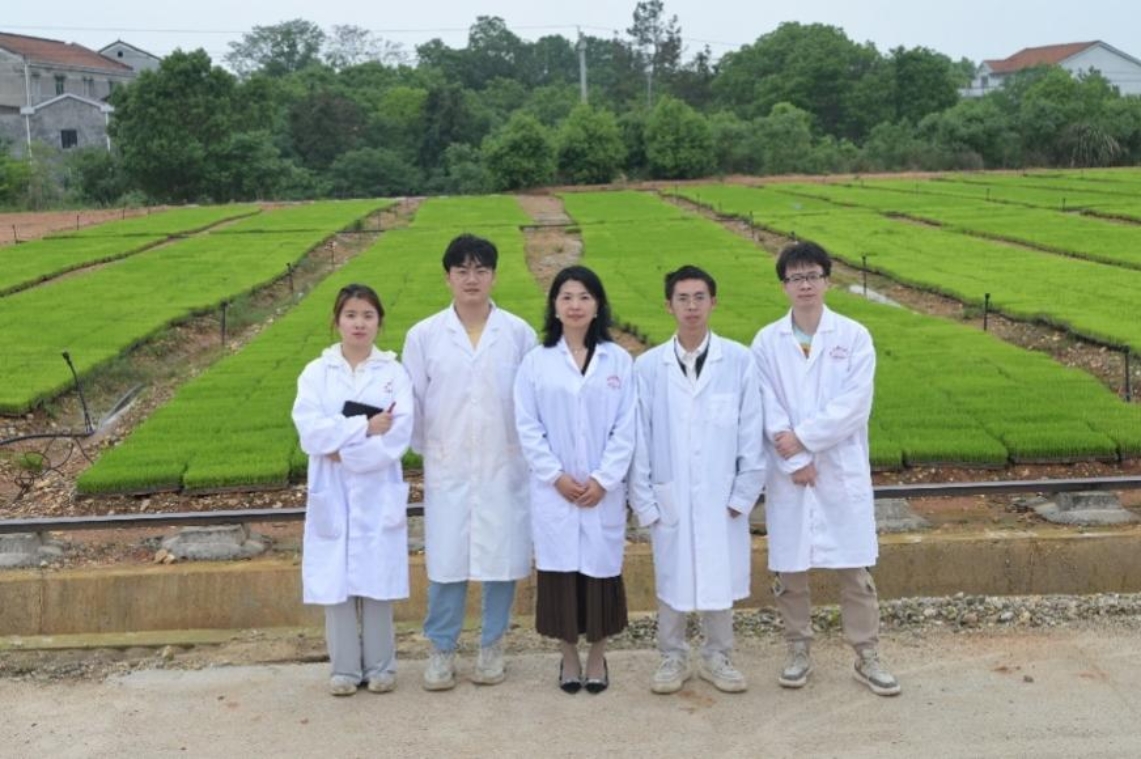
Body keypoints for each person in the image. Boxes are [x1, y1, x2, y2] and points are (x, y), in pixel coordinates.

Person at [750, 241, 901, 697]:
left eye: (812, 276)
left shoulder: (853, 336)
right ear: (784, 286)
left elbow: (855, 404)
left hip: (838, 468)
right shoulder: (767, 342)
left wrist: (805, 440)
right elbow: (765, 404)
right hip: (790, 473)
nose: (805, 285)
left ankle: (867, 653)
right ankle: (798, 649)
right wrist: (795, 458)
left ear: (827, 281)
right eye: (796, 278)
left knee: (854, 570)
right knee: (791, 570)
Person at [402, 234, 538, 691]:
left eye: (481, 270)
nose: (472, 279)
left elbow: (531, 403)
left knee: (501, 562)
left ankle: (492, 645)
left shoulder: (518, 334)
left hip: (504, 465)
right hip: (450, 466)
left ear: (494, 276)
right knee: (447, 563)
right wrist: (438, 451)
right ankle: (441, 649)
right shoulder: (424, 336)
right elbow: (414, 406)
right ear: (448, 277)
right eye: (462, 270)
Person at [628, 265, 766, 695]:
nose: (691, 306)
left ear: (713, 303)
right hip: (670, 493)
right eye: (683, 298)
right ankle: (671, 655)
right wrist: (645, 500)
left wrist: (744, 493)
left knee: (717, 573)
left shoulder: (739, 360)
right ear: (668, 305)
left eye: (699, 297)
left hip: (721, 495)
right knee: (672, 575)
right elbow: (639, 438)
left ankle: (717, 655)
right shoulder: (648, 367)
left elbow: (751, 430)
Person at [514, 265, 636, 695]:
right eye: (566, 297)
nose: (575, 305)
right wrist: (556, 476)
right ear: (554, 306)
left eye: (584, 296)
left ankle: (598, 657)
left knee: (601, 575)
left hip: (602, 492)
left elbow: (626, 427)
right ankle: (568, 658)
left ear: (598, 305)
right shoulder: (536, 362)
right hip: (556, 492)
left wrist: (604, 479)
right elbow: (528, 426)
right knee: (561, 576)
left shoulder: (617, 360)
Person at [291, 283, 414, 697]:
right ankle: (343, 669)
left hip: (377, 487)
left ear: (379, 322)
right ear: (337, 321)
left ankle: (381, 667)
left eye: (367, 315)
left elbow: (397, 438)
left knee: (378, 580)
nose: (359, 323)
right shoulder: (317, 373)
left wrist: (341, 449)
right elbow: (310, 433)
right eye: (351, 315)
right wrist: (363, 426)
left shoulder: (393, 374)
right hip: (333, 490)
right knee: (336, 580)